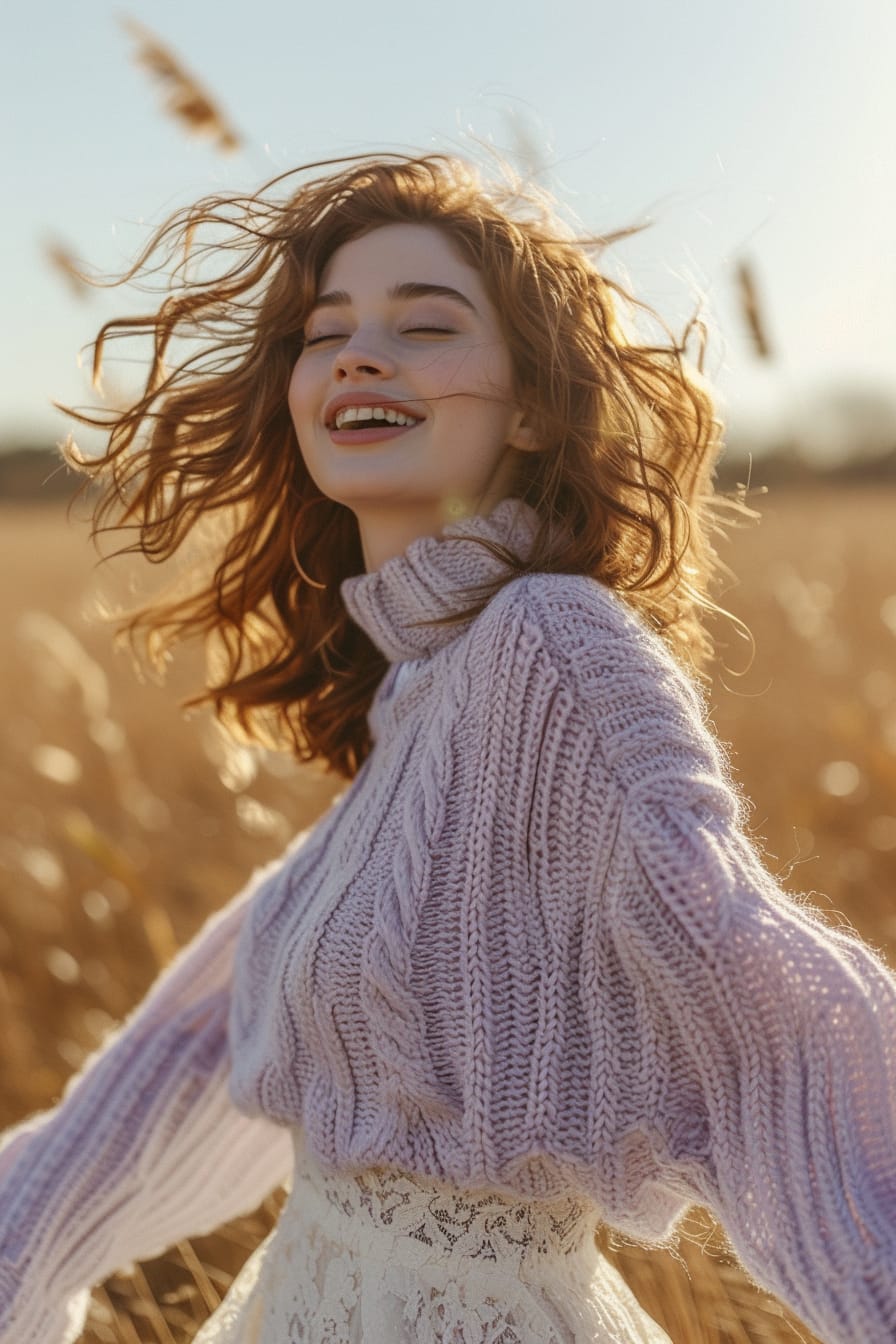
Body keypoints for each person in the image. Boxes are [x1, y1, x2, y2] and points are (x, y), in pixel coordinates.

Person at [1, 152, 894, 1344]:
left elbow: (751, 991)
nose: (361, 354)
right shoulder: (422, 698)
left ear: (530, 405)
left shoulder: (549, 643)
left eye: (424, 325)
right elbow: (197, 1050)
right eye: (327, 334)